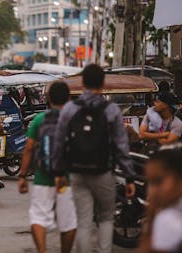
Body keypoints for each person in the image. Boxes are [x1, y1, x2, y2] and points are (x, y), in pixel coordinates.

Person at [52, 64, 136, 253]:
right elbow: (121, 146)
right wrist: (129, 176)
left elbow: (59, 143)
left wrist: (58, 172)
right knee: (106, 217)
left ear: (82, 83)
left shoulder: (69, 109)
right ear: (103, 83)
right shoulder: (112, 110)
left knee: (83, 220)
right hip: (103, 172)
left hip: (76, 171)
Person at [18, 81, 77, 253]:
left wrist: (22, 176)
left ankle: (42, 251)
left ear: (48, 99)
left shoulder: (39, 120)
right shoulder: (73, 120)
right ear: (68, 98)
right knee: (68, 222)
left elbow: (28, 148)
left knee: (38, 217)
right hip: (67, 179)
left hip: (43, 177)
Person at [137, 146, 182, 253]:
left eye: (158, 181)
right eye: (150, 183)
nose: (152, 191)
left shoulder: (169, 219)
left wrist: (151, 216)